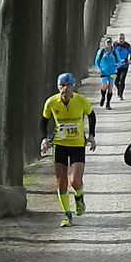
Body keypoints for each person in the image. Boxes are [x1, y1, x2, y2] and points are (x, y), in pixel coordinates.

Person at [40, 73, 97, 227]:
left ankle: (79, 197)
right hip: (60, 145)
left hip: (77, 145)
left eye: (68, 85)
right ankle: (67, 215)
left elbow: (92, 116)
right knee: (61, 183)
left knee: (74, 180)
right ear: (58, 87)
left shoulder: (81, 101)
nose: (65, 89)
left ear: (73, 86)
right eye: (62, 85)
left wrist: (91, 136)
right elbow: (44, 121)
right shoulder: (51, 102)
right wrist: (44, 139)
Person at [94, 37, 119, 110]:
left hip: (113, 71)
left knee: (111, 87)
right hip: (103, 71)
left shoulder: (114, 51)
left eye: (110, 43)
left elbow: (119, 60)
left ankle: (108, 103)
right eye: (107, 43)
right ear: (105, 44)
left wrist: (119, 63)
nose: (109, 44)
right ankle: (103, 97)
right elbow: (97, 61)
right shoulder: (101, 51)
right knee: (104, 85)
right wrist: (98, 68)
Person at [113, 33, 131, 100]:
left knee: (122, 80)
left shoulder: (127, 45)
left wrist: (130, 60)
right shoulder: (114, 45)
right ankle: (119, 90)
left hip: (124, 66)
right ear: (117, 39)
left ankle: (120, 95)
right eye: (120, 39)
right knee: (115, 81)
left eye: (122, 39)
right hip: (115, 67)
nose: (121, 40)